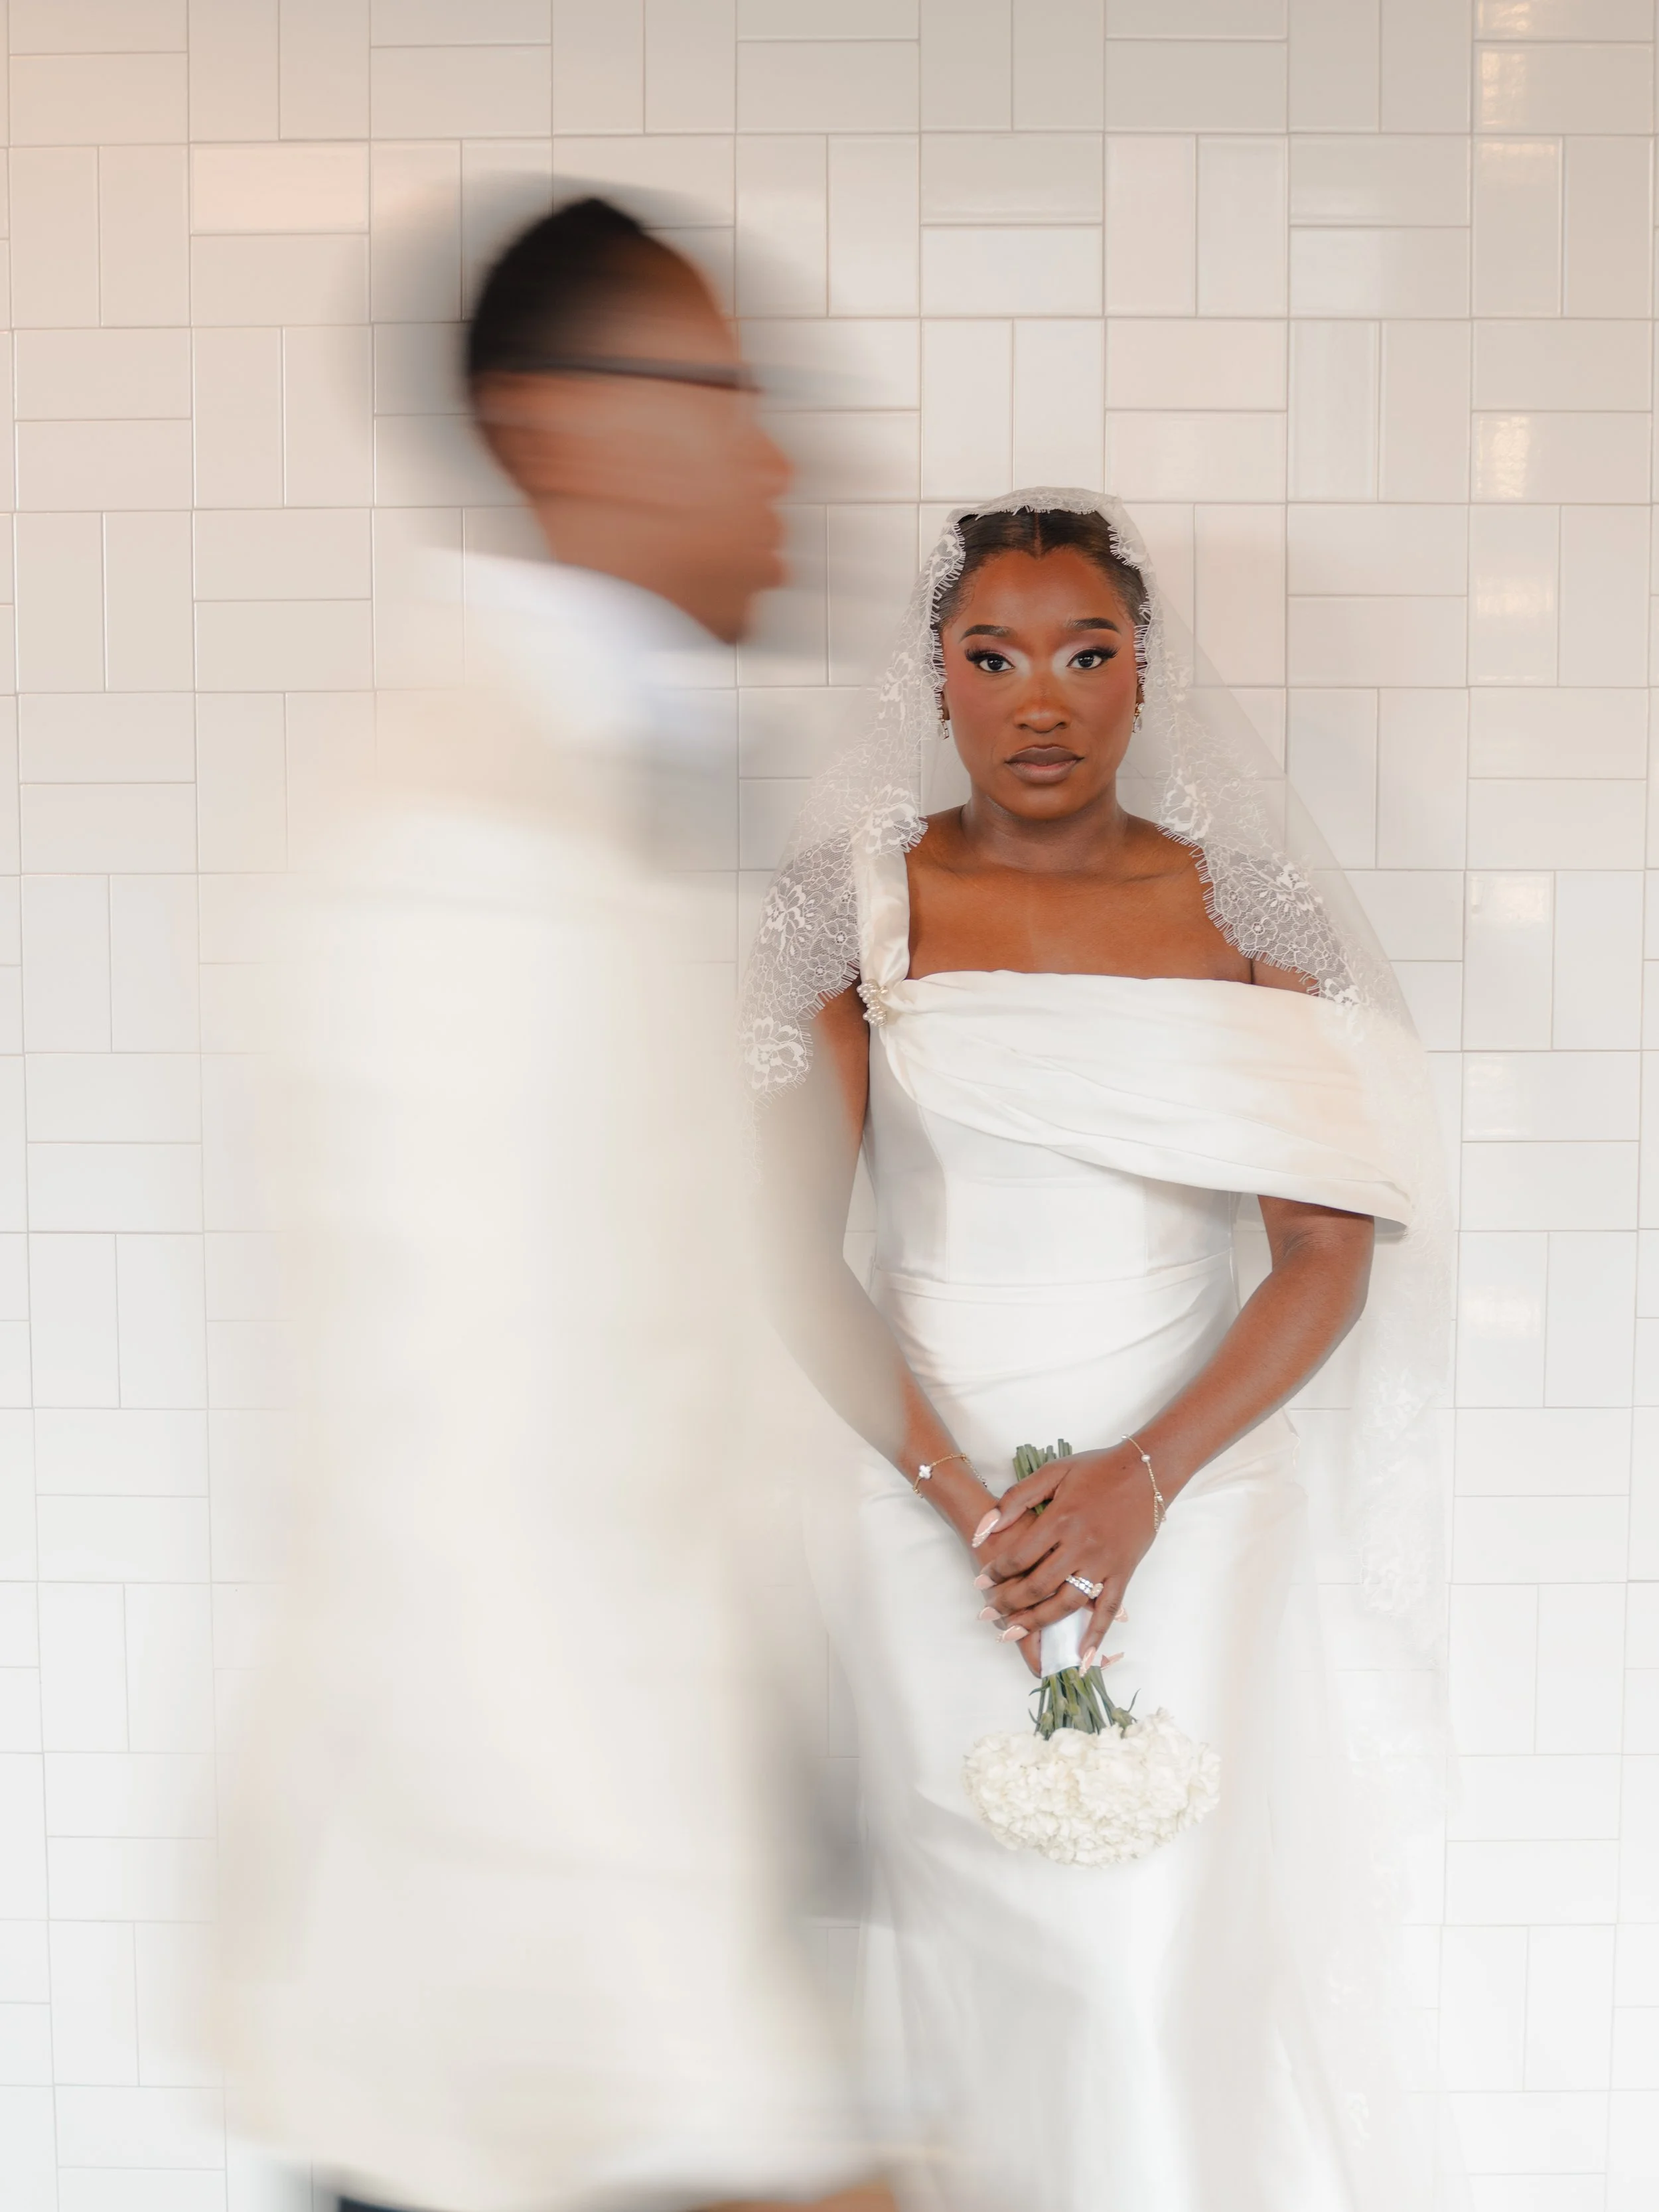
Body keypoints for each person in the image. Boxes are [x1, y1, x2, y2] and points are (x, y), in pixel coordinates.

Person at [217, 197, 894, 2212]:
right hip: (522, 2055)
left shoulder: (618, 804)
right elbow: (480, 1509)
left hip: (605, 1993)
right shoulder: (459, 850)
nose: (784, 457)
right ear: (554, 429)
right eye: (727, 394)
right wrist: (744, 2109)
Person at [745, 490, 1453, 2211]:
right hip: (925, 1509)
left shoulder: (1253, 906)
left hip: (1197, 1502)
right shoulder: (837, 904)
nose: (1038, 698)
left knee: (1151, 1975)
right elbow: (781, 1254)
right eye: (991, 655)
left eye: (1084, 652)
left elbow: (1320, 1253)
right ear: (935, 678)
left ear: (1144, 674)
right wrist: (963, 1504)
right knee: (954, 1984)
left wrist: (1140, 1482)